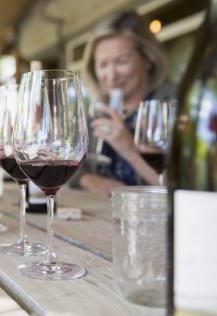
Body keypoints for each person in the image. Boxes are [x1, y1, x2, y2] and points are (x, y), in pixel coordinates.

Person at [76, 10, 175, 196]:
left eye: (121, 61)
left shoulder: (173, 106)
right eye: (103, 65)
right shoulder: (100, 112)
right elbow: (73, 167)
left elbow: (183, 187)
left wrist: (130, 150)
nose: (111, 76)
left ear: (148, 60)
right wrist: (89, 180)